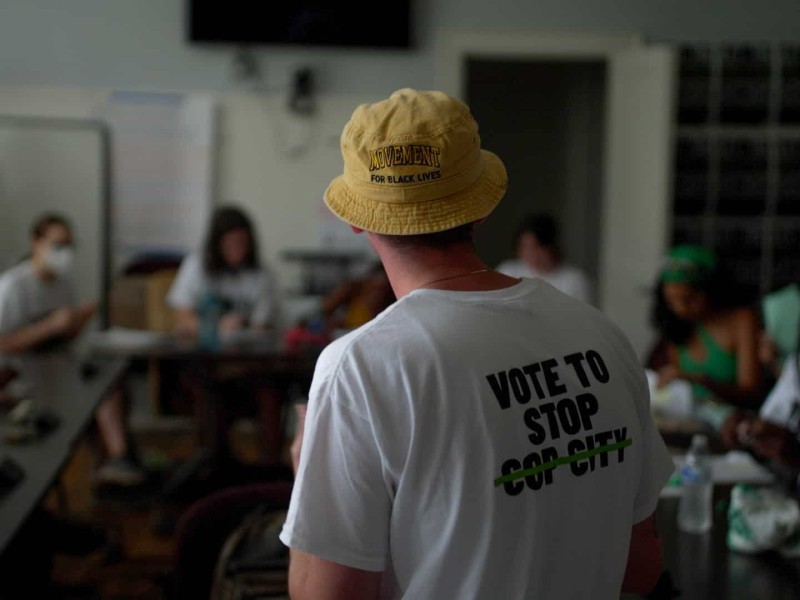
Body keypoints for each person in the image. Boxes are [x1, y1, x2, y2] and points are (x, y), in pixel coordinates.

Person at [278, 88, 673, 599]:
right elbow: (639, 568)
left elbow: (326, 595)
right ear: (481, 207)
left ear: (357, 217)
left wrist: (305, 474)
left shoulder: (361, 366)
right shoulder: (602, 336)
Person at [0, 213, 145, 486]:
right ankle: (116, 461)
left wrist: (78, 321)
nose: (64, 253)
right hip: (21, 380)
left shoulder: (62, 284)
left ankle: (116, 462)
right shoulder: (11, 287)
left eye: (69, 246)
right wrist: (49, 327)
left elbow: (64, 339)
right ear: (36, 243)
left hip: (58, 370)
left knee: (110, 382)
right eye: (58, 245)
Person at [167, 205, 284, 466]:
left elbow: (263, 326)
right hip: (205, 363)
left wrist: (252, 327)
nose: (238, 250)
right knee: (209, 392)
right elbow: (181, 316)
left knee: (272, 391)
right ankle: (215, 467)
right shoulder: (196, 266)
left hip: (249, 366)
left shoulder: (261, 275)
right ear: (217, 244)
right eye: (231, 244)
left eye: (243, 243)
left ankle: (269, 470)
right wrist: (213, 326)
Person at [652, 244, 764, 431]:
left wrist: (699, 379)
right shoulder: (675, 325)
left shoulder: (741, 320)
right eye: (671, 301)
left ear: (710, 289)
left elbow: (751, 393)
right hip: (688, 422)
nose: (680, 309)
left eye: (688, 299)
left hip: (734, 426)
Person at [496, 212, 593, 304]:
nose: (531, 254)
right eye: (525, 247)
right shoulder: (508, 272)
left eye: (537, 247)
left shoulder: (574, 280)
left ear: (551, 246)